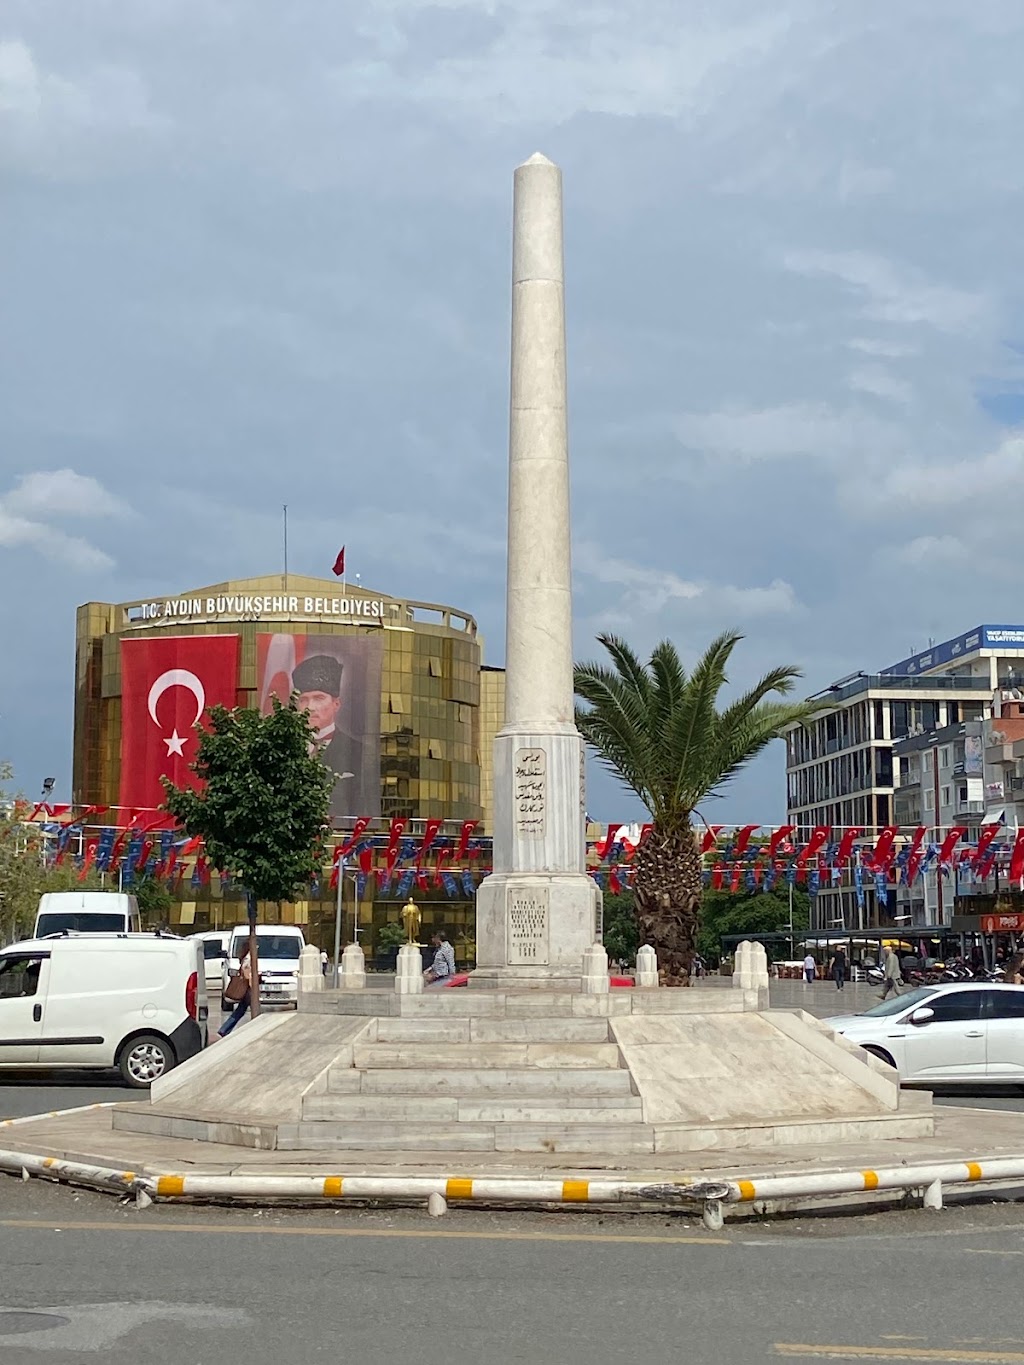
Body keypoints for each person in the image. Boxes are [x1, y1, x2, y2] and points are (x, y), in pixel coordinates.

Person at [292, 654, 366, 820]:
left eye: (318, 698)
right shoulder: (285, 748)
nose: (310, 707)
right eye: (304, 699)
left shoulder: (359, 751)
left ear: (336, 704)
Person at [217, 943, 253, 1038]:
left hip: (247, 988)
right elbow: (246, 972)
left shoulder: (245, 957)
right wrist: (250, 983)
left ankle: (224, 1030)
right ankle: (224, 1029)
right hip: (247, 988)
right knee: (243, 1010)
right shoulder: (249, 958)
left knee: (240, 1010)